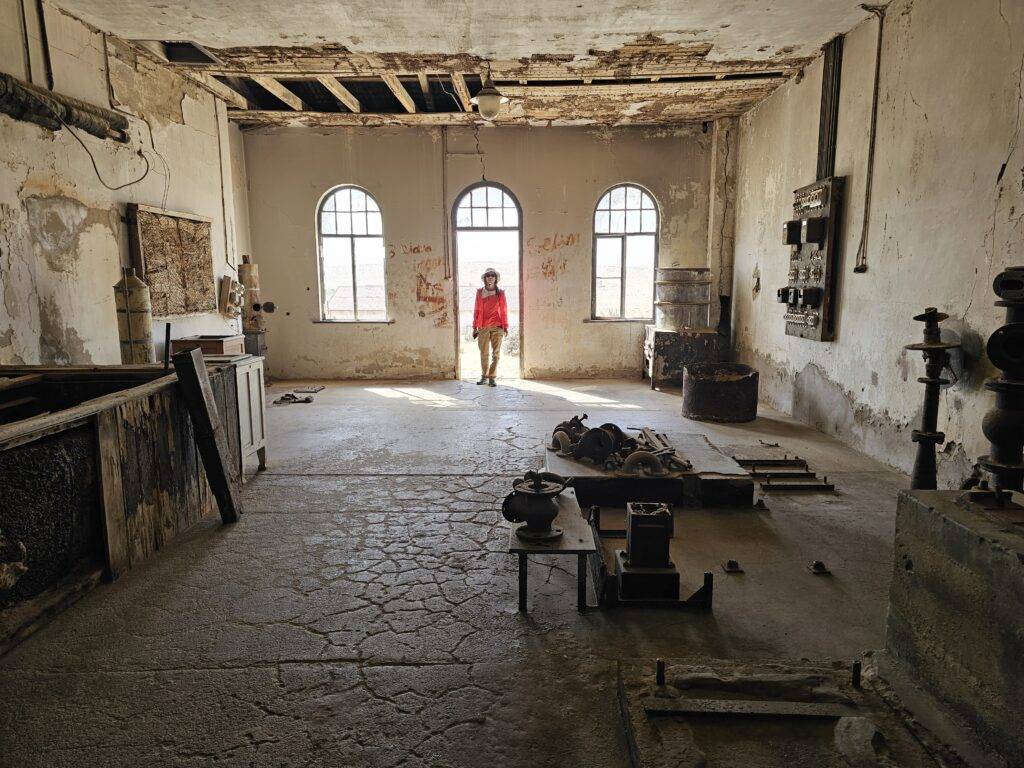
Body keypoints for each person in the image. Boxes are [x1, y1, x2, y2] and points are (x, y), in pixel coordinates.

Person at [471, 268, 508, 386]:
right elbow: (476, 310)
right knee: (484, 353)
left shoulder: (500, 293)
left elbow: (504, 311)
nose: (490, 277)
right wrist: (474, 327)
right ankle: (484, 376)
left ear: (496, 278)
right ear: (485, 278)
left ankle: (492, 377)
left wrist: (505, 326)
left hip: (497, 326)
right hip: (483, 327)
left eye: (492, 275)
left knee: (496, 353)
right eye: (488, 275)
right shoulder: (480, 292)